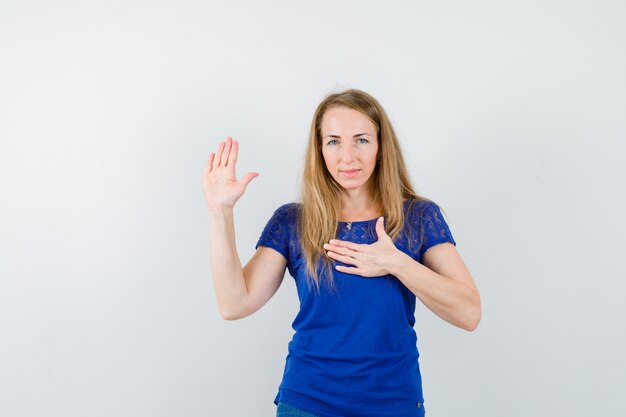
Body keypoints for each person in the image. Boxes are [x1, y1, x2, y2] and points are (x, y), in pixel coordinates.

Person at [202, 88, 481, 417]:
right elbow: (234, 304)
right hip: (308, 403)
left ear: (380, 146)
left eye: (361, 140)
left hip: (394, 404)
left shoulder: (418, 217)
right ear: (319, 150)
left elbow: (469, 313)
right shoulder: (293, 221)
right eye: (333, 141)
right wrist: (221, 213)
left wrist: (397, 263)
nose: (347, 156)